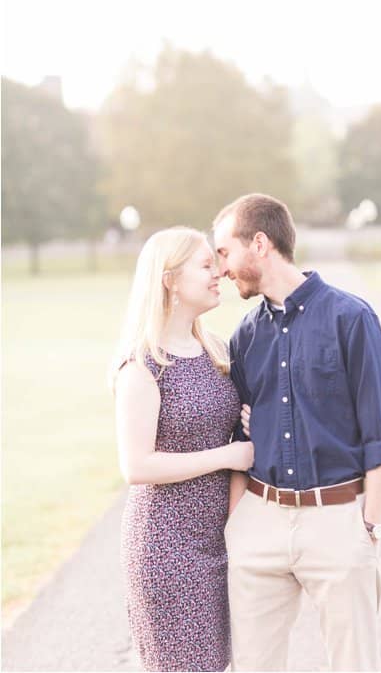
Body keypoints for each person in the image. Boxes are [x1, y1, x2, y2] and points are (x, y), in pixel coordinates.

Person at [213, 193, 381, 671]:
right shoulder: (245, 336)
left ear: (259, 243)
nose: (221, 268)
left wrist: (369, 528)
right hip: (260, 520)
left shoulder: (351, 318)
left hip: (336, 522)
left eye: (224, 252)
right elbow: (239, 436)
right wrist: (239, 524)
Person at [112, 227, 254, 672]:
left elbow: (235, 428)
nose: (220, 274)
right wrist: (228, 455)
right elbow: (136, 465)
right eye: (206, 265)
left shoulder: (216, 350)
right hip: (165, 547)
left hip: (218, 541)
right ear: (170, 279)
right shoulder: (143, 364)